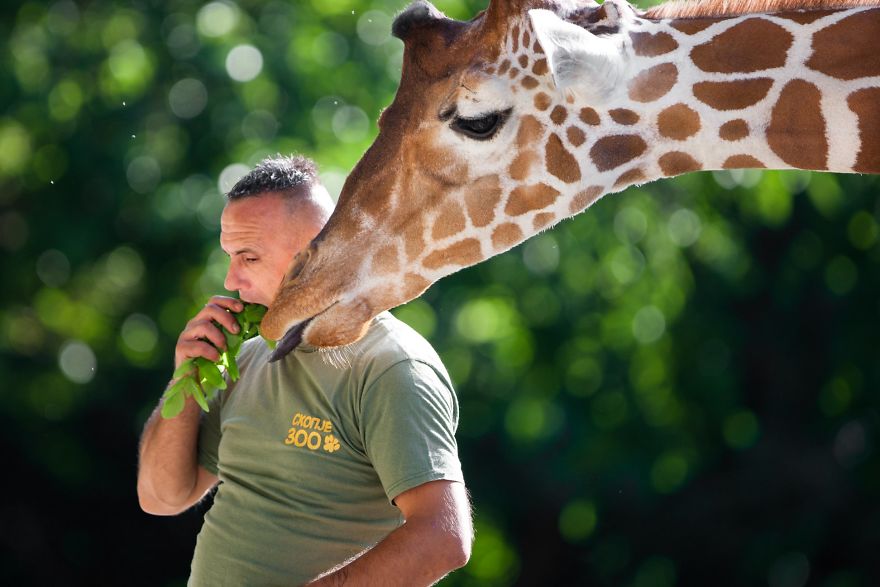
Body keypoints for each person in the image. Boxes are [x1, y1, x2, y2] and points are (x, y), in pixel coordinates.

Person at [137, 154, 472, 586]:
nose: (231, 281)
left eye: (249, 258)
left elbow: (442, 538)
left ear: (315, 254)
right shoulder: (248, 358)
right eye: (230, 257)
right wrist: (185, 381)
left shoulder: (391, 365)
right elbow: (160, 497)